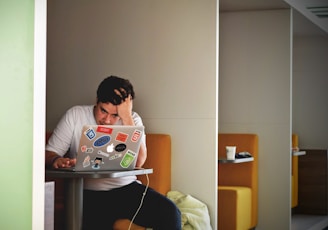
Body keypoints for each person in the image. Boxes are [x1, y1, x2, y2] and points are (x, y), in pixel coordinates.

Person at [45, 75, 181, 230]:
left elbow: (139, 162)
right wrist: (57, 159)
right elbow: (49, 153)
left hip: (126, 189)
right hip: (87, 193)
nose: (107, 120)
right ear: (96, 100)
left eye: (115, 115)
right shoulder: (75, 115)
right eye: (103, 111)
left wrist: (127, 118)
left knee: (171, 213)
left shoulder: (133, 120)